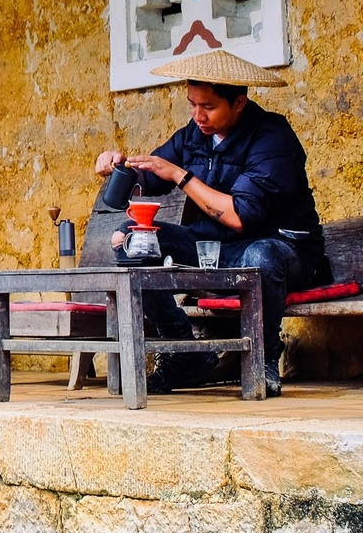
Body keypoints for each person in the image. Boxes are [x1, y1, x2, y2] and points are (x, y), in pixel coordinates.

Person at [94, 50, 331, 397]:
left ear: (238, 102)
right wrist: (120, 166)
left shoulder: (272, 137)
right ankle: (183, 353)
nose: (198, 116)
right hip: (213, 248)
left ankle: (263, 356)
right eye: (192, 104)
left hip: (283, 251)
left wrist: (180, 174)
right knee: (132, 241)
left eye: (207, 106)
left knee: (261, 257)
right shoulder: (193, 135)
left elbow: (238, 216)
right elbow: (152, 176)